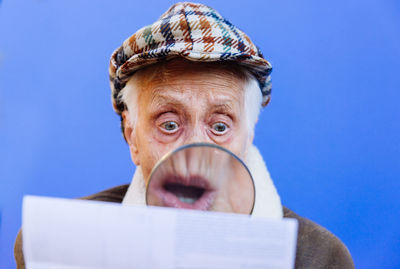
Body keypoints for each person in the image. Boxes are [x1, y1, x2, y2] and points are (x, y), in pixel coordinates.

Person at [15, 2, 354, 268]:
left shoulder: (315, 257)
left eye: (219, 126)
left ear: (247, 139)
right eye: (169, 124)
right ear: (132, 137)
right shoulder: (62, 243)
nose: (194, 155)